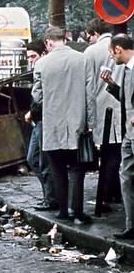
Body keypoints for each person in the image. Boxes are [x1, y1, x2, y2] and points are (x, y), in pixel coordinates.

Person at [31, 26, 96, 224]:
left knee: (57, 169)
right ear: (65, 39)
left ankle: (62, 212)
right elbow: (90, 94)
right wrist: (91, 122)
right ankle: (76, 210)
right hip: (78, 123)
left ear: (48, 43)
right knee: (77, 168)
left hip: (52, 124)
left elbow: (37, 95)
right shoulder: (83, 59)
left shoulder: (42, 64)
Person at [84, 18, 122, 204]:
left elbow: (88, 85)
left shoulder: (91, 51)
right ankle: (116, 192)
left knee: (107, 154)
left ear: (94, 34)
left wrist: (89, 118)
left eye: (89, 37)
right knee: (118, 152)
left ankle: (107, 194)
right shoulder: (121, 45)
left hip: (101, 107)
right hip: (121, 104)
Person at [100, 34, 134, 239]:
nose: (111, 57)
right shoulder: (127, 70)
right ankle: (131, 225)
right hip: (129, 135)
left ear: (118, 49)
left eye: (111, 52)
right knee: (127, 177)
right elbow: (126, 99)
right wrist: (111, 84)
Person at [24, 40, 58, 211]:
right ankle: (50, 195)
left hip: (44, 120)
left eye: (33, 56)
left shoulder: (46, 69)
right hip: (39, 120)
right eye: (29, 57)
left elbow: (43, 97)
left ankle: (51, 197)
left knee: (42, 160)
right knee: (34, 159)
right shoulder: (40, 69)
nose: (31, 60)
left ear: (43, 54)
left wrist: (32, 112)